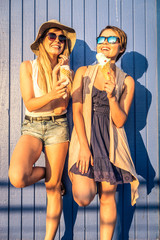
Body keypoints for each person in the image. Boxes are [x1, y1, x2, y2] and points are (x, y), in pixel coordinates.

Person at [68, 25, 139, 240]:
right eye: (102, 38)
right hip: (86, 137)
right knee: (82, 196)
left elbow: (119, 121)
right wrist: (83, 147)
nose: (105, 42)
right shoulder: (83, 72)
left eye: (112, 39)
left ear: (121, 47)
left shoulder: (127, 81)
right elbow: (77, 110)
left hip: (111, 142)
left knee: (108, 197)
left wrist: (111, 97)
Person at [8, 19, 76, 240]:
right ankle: (53, 174)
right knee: (17, 177)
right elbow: (30, 103)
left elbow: (60, 110)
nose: (58, 40)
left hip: (58, 127)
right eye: (52, 36)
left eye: (62, 38)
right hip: (33, 126)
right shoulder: (28, 66)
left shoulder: (65, 71)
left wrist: (59, 73)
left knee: (52, 189)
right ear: (41, 40)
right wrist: (52, 94)